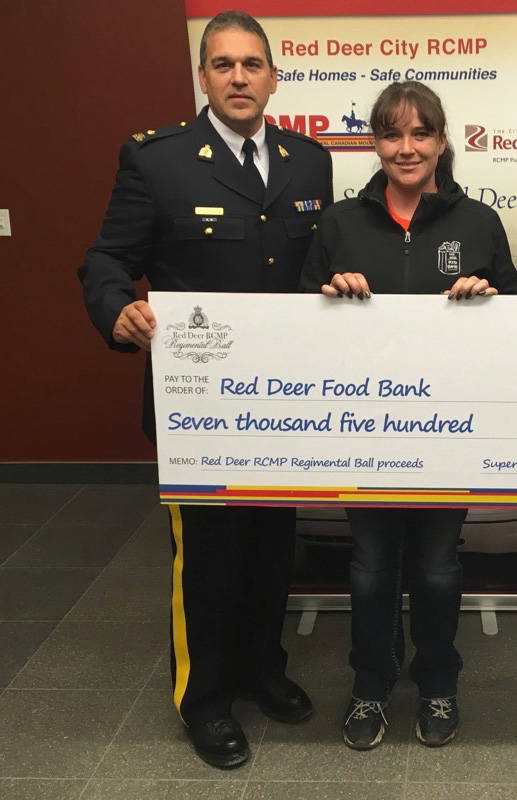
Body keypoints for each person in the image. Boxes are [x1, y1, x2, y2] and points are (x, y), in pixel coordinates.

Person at [78, 10, 333, 769]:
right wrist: (115, 308)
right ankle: (206, 697)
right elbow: (104, 260)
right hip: (203, 410)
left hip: (284, 406)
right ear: (204, 77)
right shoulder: (157, 161)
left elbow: (316, 269)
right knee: (209, 558)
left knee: (270, 547)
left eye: (252, 64)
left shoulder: (308, 160)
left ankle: (262, 669)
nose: (238, 77)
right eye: (222, 65)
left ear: (273, 75)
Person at [300, 80, 517, 750]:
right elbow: (293, 318)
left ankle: (437, 683)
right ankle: (369, 688)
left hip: (446, 435)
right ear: (374, 142)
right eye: (392, 134)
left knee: (434, 567)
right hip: (365, 434)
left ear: (441, 140)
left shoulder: (477, 222)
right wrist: (326, 295)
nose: (406, 147)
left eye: (419, 133)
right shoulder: (339, 223)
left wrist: (487, 297)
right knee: (369, 565)